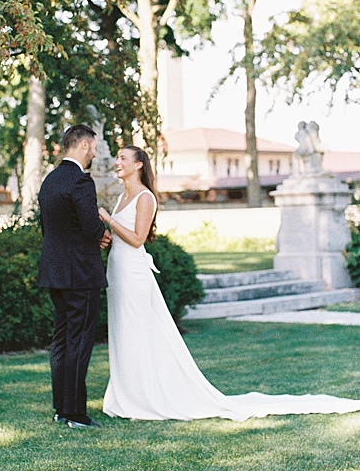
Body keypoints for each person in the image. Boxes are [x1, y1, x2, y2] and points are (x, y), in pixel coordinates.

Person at [98, 145, 360, 421]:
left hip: (134, 274)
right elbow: (124, 235)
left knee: (137, 330)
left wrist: (107, 219)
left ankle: (144, 396)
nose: (117, 162)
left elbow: (138, 239)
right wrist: (108, 236)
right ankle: (127, 393)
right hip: (118, 270)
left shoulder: (144, 197)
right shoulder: (121, 198)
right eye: (117, 158)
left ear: (138, 164)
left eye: (123, 158)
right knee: (123, 330)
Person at [37, 124, 112, 429]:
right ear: (82, 145)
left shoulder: (50, 180)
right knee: (79, 342)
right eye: (93, 147)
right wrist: (101, 234)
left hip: (55, 271)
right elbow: (89, 226)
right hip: (80, 273)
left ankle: (61, 408)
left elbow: (52, 228)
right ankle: (76, 413)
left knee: (61, 341)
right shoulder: (81, 181)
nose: (95, 152)